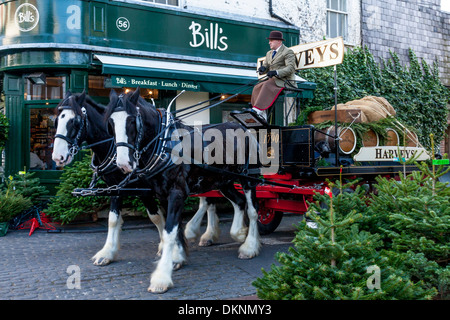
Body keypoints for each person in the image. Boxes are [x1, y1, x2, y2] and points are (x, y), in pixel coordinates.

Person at [251, 30, 296, 117]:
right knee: (257, 86)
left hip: (285, 81)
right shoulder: (269, 53)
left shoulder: (287, 52)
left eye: (271, 40)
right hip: (273, 80)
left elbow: (290, 68)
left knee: (266, 84)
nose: (269, 43)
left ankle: (258, 109)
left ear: (279, 41)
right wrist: (263, 69)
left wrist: (276, 72)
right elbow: (266, 65)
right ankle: (258, 109)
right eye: (269, 40)